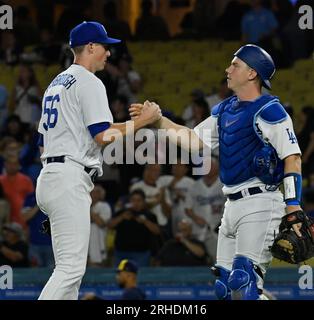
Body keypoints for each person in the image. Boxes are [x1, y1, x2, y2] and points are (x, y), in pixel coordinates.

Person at [130, 44, 303, 300]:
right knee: (226, 287)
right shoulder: (225, 110)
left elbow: (293, 157)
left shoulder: (269, 109)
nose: (227, 69)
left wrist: (293, 205)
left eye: (235, 65)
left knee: (245, 282)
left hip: (261, 202)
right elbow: (193, 140)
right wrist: (159, 121)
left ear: (252, 73)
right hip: (231, 204)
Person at [35, 21, 161, 300]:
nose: (108, 53)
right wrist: (143, 121)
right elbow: (103, 135)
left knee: (70, 277)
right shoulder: (88, 81)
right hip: (68, 178)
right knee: (70, 271)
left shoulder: (55, 84)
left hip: (52, 176)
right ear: (90, 47)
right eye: (105, 46)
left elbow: (41, 142)